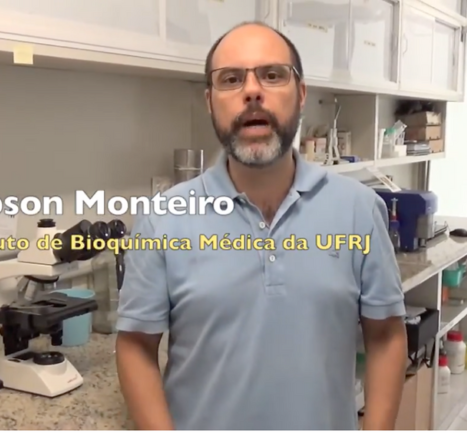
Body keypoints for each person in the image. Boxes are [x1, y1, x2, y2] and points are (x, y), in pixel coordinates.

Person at [115, 21, 407, 430]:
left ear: (301, 93)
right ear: (210, 101)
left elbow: (387, 335)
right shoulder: (162, 219)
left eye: (272, 75)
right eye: (231, 79)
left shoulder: (358, 210)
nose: (252, 91)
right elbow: (135, 346)